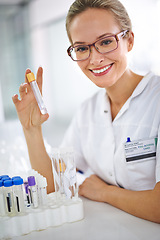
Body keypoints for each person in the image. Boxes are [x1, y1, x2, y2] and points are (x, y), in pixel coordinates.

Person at [12, 0, 160, 223]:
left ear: (129, 40)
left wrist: (105, 192)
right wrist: (32, 129)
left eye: (106, 41)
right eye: (81, 48)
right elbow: (54, 185)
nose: (95, 58)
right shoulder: (87, 112)